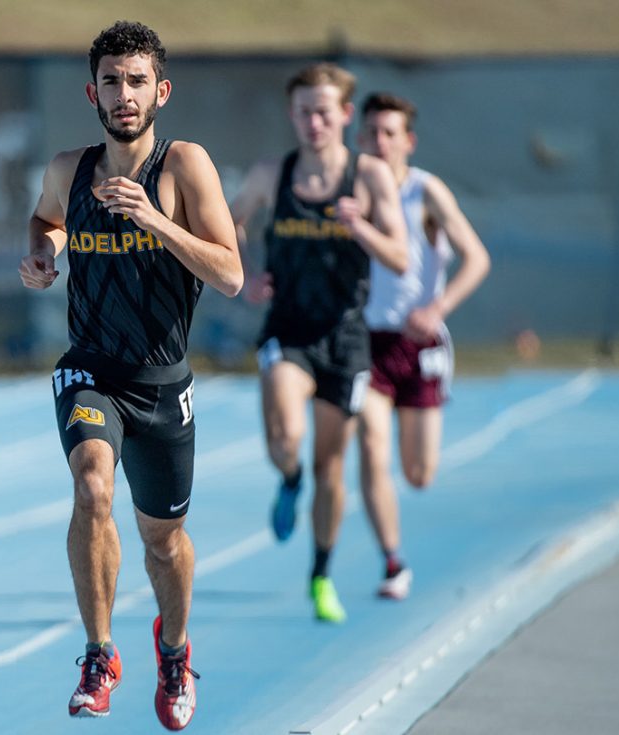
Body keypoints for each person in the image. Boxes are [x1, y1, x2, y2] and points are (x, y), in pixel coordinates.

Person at [19, 20, 242, 731]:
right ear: (93, 91)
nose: (124, 94)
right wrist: (43, 254)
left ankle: (173, 650)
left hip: (161, 382)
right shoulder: (70, 168)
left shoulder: (183, 167)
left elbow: (232, 274)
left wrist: (158, 222)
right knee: (91, 486)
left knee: (162, 541)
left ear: (161, 91)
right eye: (112, 81)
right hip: (89, 367)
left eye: (137, 80)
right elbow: (45, 219)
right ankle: (98, 651)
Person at [230, 64, 408, 622]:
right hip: (288, 329)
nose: (313, 122)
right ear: (292, 115)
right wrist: (248, 277)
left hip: (346, 337)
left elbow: (401, 257)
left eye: (324, 112)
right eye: (304, 111)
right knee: (286, 435)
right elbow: (226, 227)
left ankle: (321, 574)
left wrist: (364, 228)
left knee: (332, 467)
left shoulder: (371, 177)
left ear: (345, 116)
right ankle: (288, 478)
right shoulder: (270, 174)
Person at [355, 92, 490, 600]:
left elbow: (477, 258)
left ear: (407, 141)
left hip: (420, 343)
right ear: (360, 138)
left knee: (418, 473)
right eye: (371, 133)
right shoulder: (352, 192)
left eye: (390, 133)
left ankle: (395, 547)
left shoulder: (425, 192)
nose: (380, 142)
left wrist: (438, 308)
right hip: (367, 341)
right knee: (370, 444)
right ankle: (393, 562)